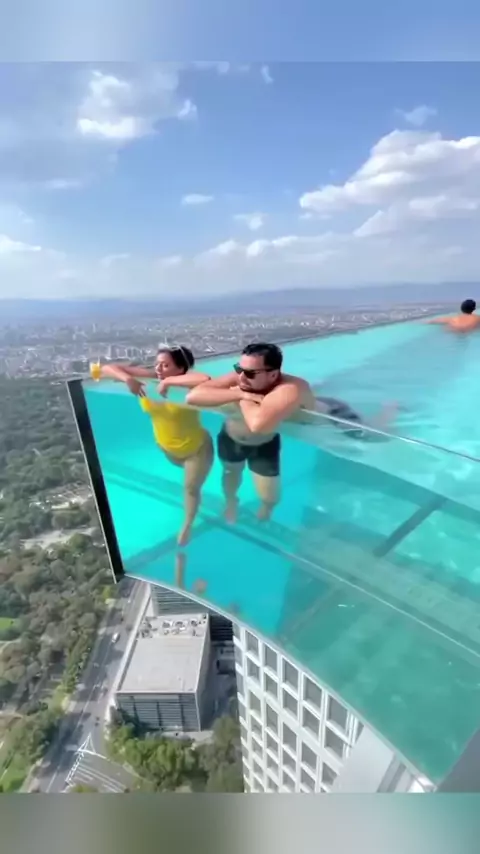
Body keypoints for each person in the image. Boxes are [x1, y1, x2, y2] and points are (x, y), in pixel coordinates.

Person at [91, 346, 213, 546]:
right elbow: (103, 369)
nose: (158, 369)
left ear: (181, 368)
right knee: (188, 484)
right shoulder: (150, 379)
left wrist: (168, 382)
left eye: (165, 365)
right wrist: (128, 379)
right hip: (168, 450)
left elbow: (205, 379)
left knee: (191, 489)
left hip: (196, 450)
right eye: (157, 364)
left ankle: (187, 525)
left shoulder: (188, 386)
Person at [186, 342, 316, 522]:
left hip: (264, 445)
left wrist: (241, 398)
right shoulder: (240, 379)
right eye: (239, 369)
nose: (241, 377)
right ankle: (231, 502)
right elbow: (193, 396)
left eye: (249, 373)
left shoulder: (289, 388)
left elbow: (258, 425)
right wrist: (242, 394)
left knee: (270, 497)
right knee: (230, 474)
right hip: (231, 439)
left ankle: (266, 509)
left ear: (273, 375)